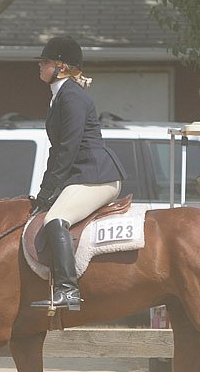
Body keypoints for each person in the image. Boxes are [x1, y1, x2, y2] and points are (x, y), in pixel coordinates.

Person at [29, 36, 127, 311]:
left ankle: (68, 289)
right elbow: (56, 150)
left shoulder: (71, 96)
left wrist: (48, 194)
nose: (40, 65)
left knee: (55, 219)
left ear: (61, 66)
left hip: (96, 175)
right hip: (82, 174)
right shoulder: (61, 95)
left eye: (46, 61)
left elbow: (68, 149)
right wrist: (43, 191)